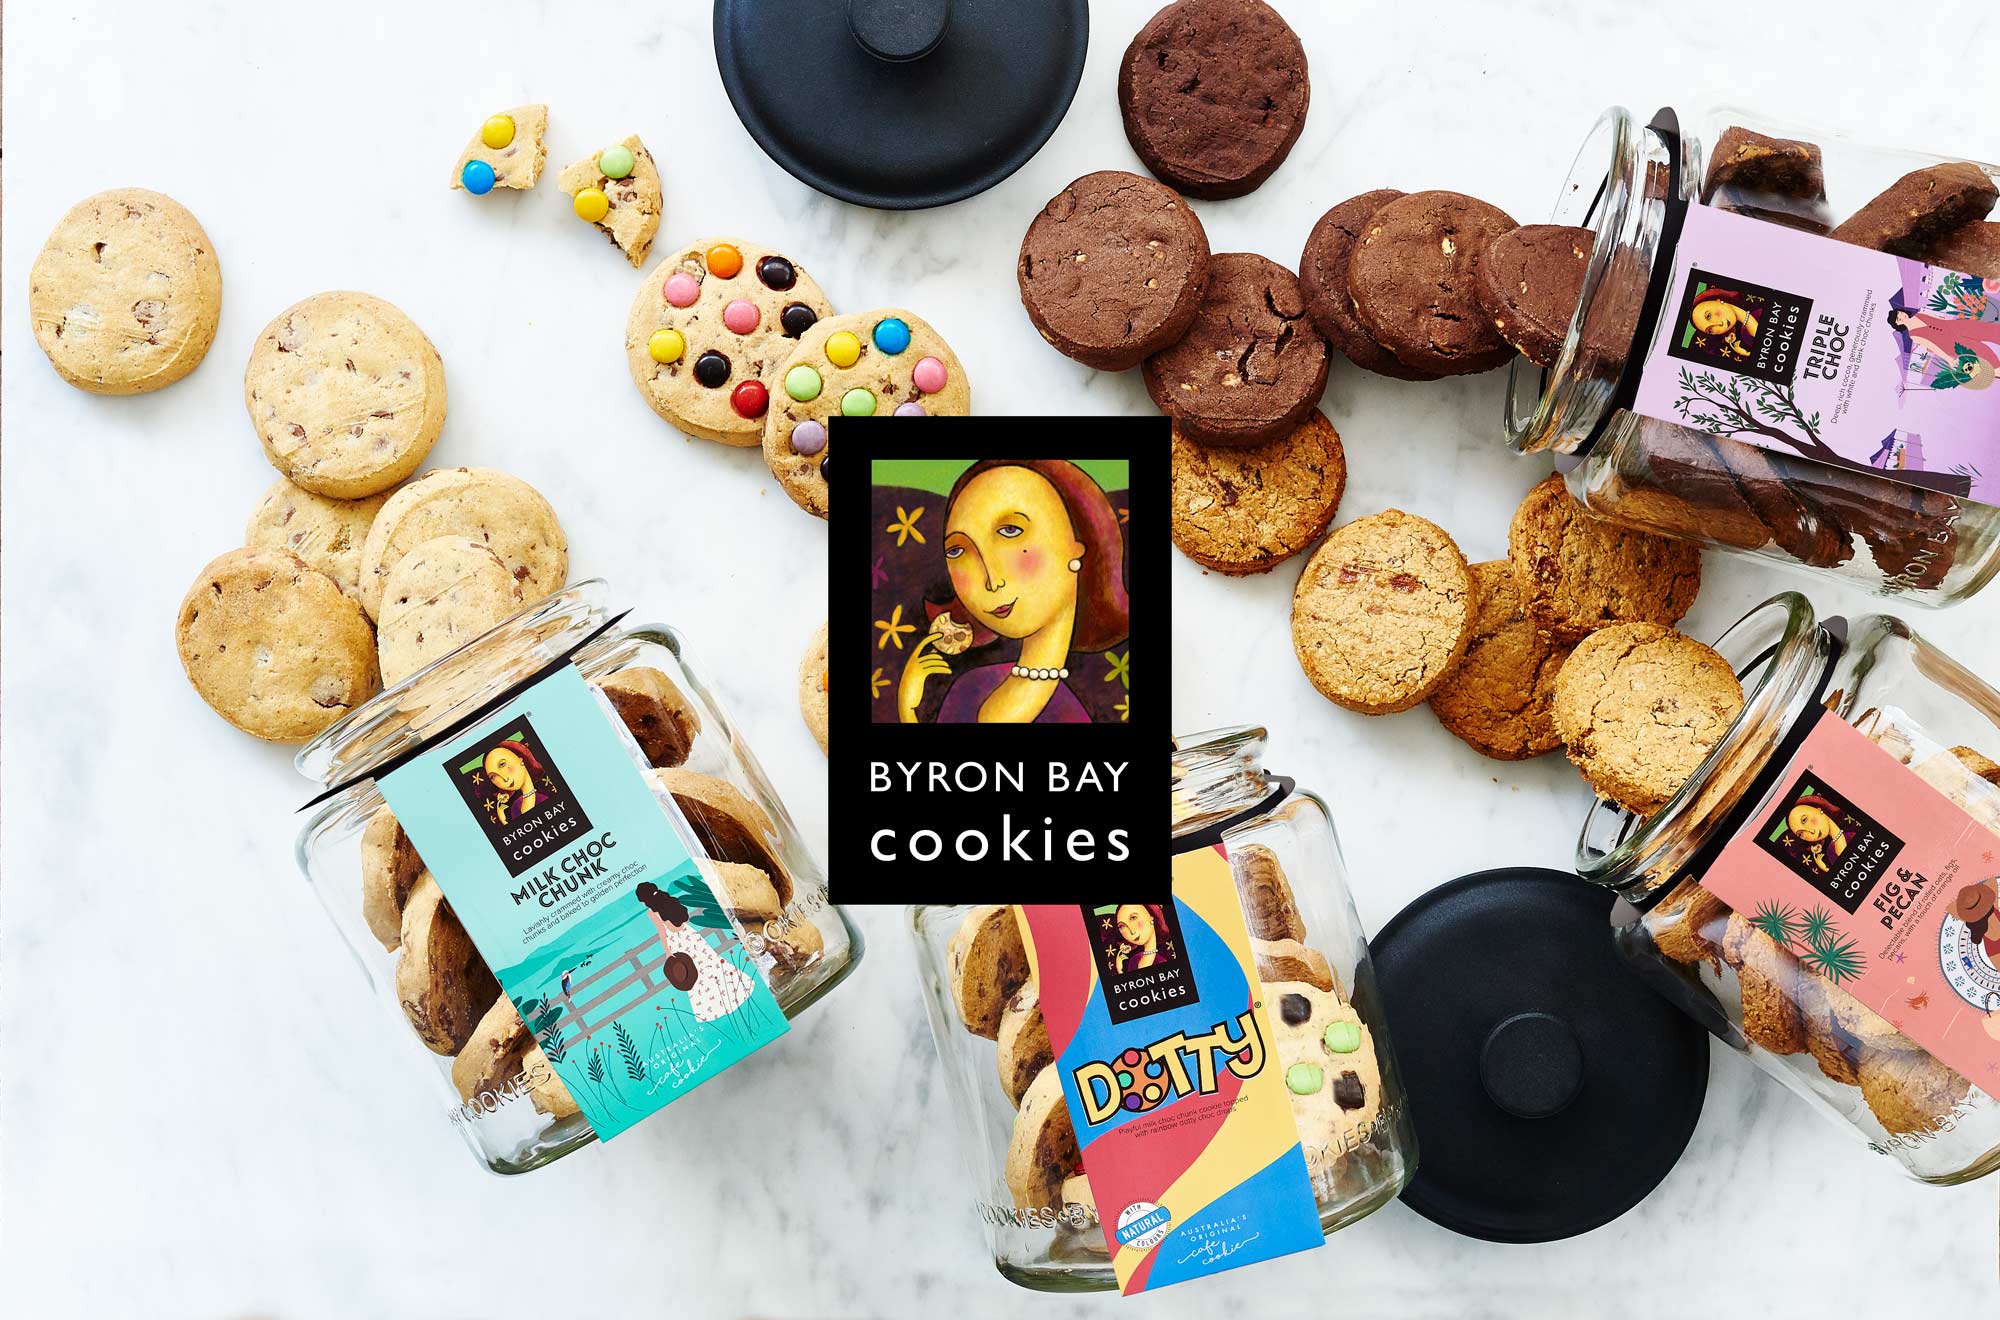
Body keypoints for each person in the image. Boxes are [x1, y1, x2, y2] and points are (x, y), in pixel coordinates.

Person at [897, 459, 1130, 724]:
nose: (991, 580)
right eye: (957, 551)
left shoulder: (1071, 714)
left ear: (1077, 545)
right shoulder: (969, 688)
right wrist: (907, 706)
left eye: (1011, 531)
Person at [635, 882, 753, 1023]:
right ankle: (736, 993)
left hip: (677, 943)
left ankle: (714, 1008)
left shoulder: (652, 912)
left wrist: (667, 952)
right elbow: (683, 920)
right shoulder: (669, 901)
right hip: (691, 936)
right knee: (712, 964)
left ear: (644, 900)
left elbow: (664, 930)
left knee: (694, 974)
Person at [1887, 305, 2000, 387]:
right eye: (1898, 318)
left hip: (1956, 327)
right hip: (1950, 344)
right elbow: (1932, 346)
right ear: (1898, 324)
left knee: (1986, 330)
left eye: (1899, 313)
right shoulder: (1913, 335)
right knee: (1982, 351)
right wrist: (1949, 360)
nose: (1901, 316)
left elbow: (1941, 318)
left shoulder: (1920, 314)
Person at [1689, 288, 1760, 362]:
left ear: (1717, 300)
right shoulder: (1742, 336)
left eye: (1709, 316)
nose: (1719, 324)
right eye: (1710, 330)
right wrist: (1745, 353)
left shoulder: (1756, 304)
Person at [1785, 797, 1852, 875]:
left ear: (1818, 809)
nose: (1811, 831)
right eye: (1801, 834)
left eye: (1805, 820)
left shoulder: (1851, 829)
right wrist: (1824, 868)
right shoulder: (1829, 852)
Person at [483, 741, 544, 824]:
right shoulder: (515, 806)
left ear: (520, 758)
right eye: (493, 776)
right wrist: (502, 819)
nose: (504, 778)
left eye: (502, 764)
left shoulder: (546, 793)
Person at [1111, 903, 1169, 974]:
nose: (1131, 931)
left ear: (1151, 915)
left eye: (1133, 918)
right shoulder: (1135, 959)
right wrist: (1119, 969)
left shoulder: (1162, 961)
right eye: (1121, 926)